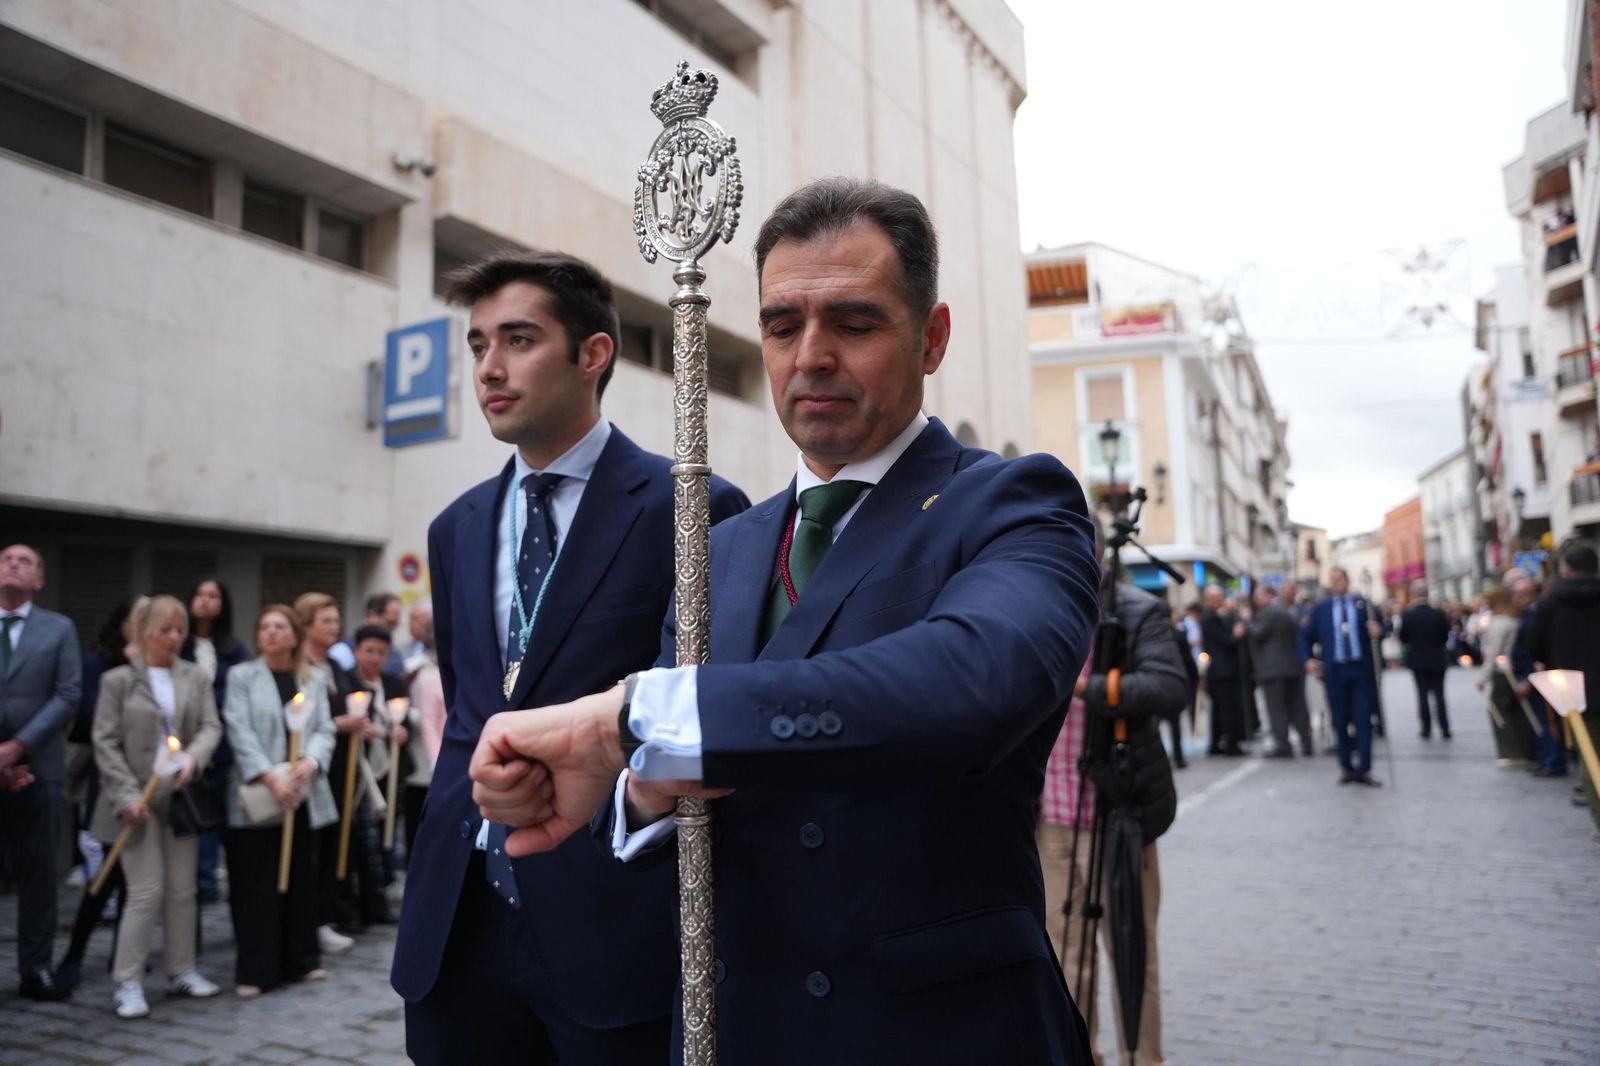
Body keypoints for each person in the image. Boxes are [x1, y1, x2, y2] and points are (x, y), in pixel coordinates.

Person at [467, 178, 1100, 1064]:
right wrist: (639, 791)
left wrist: (633, 722)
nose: (811, 356)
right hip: (746, 1033)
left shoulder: (1011, 502)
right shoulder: (720, 548)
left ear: (933, 337)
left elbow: (974, 680)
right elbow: (679, 804)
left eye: (854, 322)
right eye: (780, 325)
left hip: (941, 1034)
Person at [391, 249, 750, 1066]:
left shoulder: (690, 505)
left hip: (612, 918)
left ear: (594, 354)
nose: (490, 367)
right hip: (460, 919)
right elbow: (470, 709)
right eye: (478, 344)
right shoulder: (457, 525)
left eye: (518, 340)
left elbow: (705, 713)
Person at [1039, 519, 1182, 1065]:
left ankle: (1142, 1059)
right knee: (1065, 955)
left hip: (1116, 812)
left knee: (1130, 955)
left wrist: (1088, 688)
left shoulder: (1134, 609)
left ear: (1094, 550)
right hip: (1050, 816)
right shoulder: (1038, 607)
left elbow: (1170, 688)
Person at [90, 595, 224, 1018]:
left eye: (179, 630)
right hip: (136, 804)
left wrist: (193, 758)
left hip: (180, 799)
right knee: (145, 891)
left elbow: (209, 725)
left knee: (183, 891)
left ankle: (180, 969)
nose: (174, 637)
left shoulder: (194, 677)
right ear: (144, 631)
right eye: (165, 629)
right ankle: (128, 980)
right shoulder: (119, 681)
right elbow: (105, 742)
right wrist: (127, 795)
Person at [222, 604, 338, 997]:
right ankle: (257, 968)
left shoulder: (313, 679)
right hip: (261, 793)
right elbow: (238, 729)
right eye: (264, 626)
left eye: (279, 626)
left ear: (293, 634)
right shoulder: (242, 677)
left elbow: (324, 728)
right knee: (256, 882)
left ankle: (301, 959)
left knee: (301, 876)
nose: (271, 633)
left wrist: (310, 760)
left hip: (302, 792)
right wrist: (271, 776)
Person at [0, 543, 83, 1001]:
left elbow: (67, 694)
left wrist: (16, 747)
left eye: (26, 561)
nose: (14, 564)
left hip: (39, 768)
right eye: (7, 558)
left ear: (39, 581)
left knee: (38, 874)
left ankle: (36, 968)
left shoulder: (59, 629)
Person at [293, 590, 361, 954]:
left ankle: (331, 911)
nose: (335, 628)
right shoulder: (300, 666)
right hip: (314, 762)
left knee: (336, 840)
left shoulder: (335, 665)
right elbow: (308, 719)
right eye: (327, 622)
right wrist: (340, 723)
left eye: (336, 621)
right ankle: (314, 919)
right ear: (306, 626)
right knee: (314, 845)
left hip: (340, 761)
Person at [180, 576, 246, 904]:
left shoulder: (233, 649)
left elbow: (238, 692)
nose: (206, 601)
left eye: (214, 595)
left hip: (223, 746)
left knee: (215, 813)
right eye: (200, 594)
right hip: (183, 741)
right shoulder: (179, 645)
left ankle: (207, 880)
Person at [1523, 544, 1600, 818]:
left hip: (1573, 686)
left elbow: (1535, 644)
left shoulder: (1551, 601)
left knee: (1589, 753)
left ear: (1567, 569)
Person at [1299, 567, 1384, 786]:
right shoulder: (1322, 609)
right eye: (1333, 580)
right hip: (1335, 671)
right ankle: (1346, 766)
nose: (1337, 583)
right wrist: (1308, 659)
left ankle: (1364, 767)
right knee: (1340, 720)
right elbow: (1305, 636)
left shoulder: (1362, 604)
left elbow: (1383, 626)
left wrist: (1378, 630)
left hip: (1360, 670)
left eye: (1340, 579)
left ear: (1347, 580)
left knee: (1363, 720)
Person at [347, 623, 409, 908]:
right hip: (361, 768)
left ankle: (383, 886)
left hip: (390, 766)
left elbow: (403, 719)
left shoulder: (394, 683)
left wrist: (401, 730)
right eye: (369, 651)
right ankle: (364, 892)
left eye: (381, 652)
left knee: (388, 827)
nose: (375, 658)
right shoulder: (348, 682)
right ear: (356, 651)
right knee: (362, 831)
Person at [1248, 585, 1313, 757]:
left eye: (1258, 596)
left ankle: (1283, 744)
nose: (1256, 600)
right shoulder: (1286, 612)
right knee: (1296, 706)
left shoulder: (1270, 612)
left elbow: (1256, 633)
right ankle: (1306, 741)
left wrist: (1247, 620)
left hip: (1273, 669)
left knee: (1277, 708)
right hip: (1290, 666)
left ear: (1268, 596)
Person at [1477, 585, 1538, 767]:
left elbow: (1494, 653)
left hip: (1503, 671)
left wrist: (1483, 677)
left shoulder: (1500, 622)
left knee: (1499, 711)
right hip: (1513, 670)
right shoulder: (1515, 619)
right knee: (1517, 711)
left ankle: (1511, 752)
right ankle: (1525, 750)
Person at [1508, 576, 1562, 778]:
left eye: (1520, 594)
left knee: (1546, 719)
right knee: (1539, 719)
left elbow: (1536, 647)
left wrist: (1530, 678)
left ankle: (1552, 760)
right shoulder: (1527, 614)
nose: (1516, 598)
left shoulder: (1536, 614)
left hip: (1537, 673)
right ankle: (1545, 757)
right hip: (1530, 672)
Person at [403, 602, 442, 863]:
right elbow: (405, 707)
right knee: (417, 815)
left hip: (449, 748)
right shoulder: (415, 667)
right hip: (420, 755)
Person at [1399, 580, 1452, 740]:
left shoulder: (1409, 614)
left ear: (1415, 594)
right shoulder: (1438, 613)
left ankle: (1426, 728)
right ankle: (1445, 728)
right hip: (1437, 659)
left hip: (1418, 660)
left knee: (1422, 695)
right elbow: (1445, 635)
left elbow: (1403, 637)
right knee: (1439, 695)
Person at [1200, 585, 1247, 755]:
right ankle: (1229, 744)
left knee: (1220, 709)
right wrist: (1236, 634)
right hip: (1222, 671)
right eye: (1217, 597)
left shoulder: (1214, 616)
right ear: (1209, 599)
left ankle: (1217, 742)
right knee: (1226, 708)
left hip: (1220, 670)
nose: (1220, 599)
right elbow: (1226, 641)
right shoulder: (1210, 618)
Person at [329, 592, 406, 676]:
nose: (392, 629)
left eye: (396, 624)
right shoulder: (342, 652)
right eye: (390, 623)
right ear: (370, 617)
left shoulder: (395, 655)